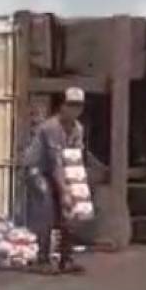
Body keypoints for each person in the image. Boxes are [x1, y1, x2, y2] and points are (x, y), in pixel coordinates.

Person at [23, 87, 88, 274]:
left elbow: (74, 159)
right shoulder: (51, 128)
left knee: (70, 210)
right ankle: (42, 258)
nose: (75, 110)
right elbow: (55, 162)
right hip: (38, 169)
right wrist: (64, 191)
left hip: (60, 169)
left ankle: (66, 257)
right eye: (71, 105)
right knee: (47, 209)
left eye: (78, 106)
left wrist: (76, 188)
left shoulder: (78, 129)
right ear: (62, 106)